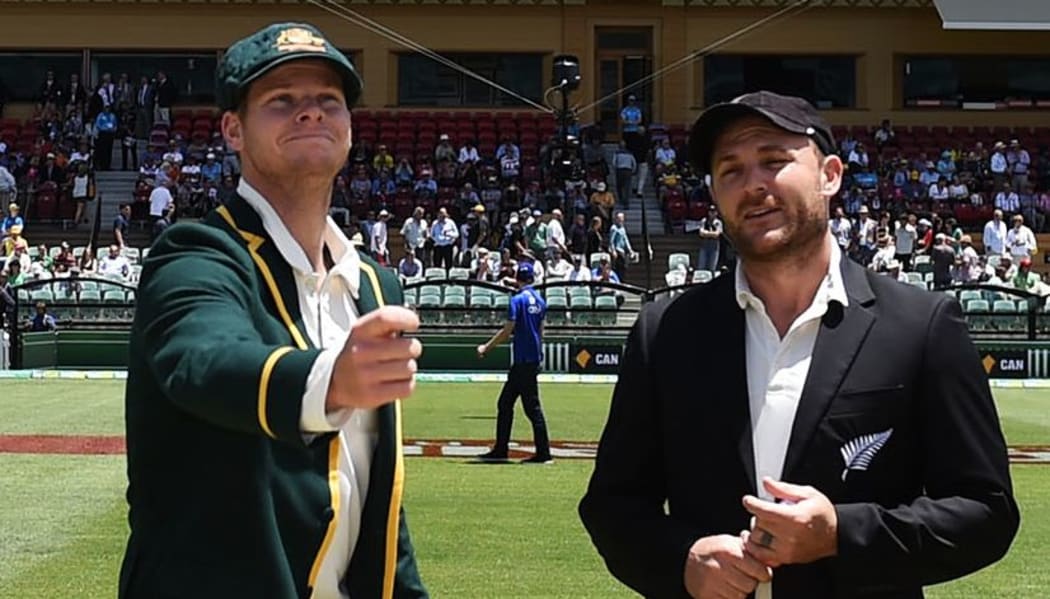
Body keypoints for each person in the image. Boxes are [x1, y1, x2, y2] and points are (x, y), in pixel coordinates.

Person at [578, 90, 1018, 599]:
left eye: (774, 161)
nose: (753, 185)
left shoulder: (922, 326)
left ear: (830, 175)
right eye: (731, 170)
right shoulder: (665, 331)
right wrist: (683, 560)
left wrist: (840, 535)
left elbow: (985, 511)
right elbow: (613, 508)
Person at [119, 22, 429, 599]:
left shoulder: (375, 286)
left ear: (350, 128)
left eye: (327, 101)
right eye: (281, 100)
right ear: (233, 130)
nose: (309, 113)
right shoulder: (196, 253)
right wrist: (328, 380)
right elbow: (203, 362)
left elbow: (375, 502)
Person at [475, 261, 552, 465]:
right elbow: (542, 331)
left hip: (521, 361)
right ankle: (503, 449)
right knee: (509, 403)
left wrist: (486, 347)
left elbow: (508, 330)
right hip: (532, 360)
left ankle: (541, 453)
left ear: (518, 279)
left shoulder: (517, 301)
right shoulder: (540, 300)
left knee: (529, 407)